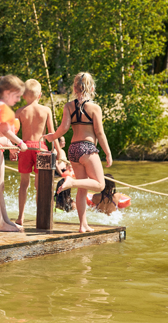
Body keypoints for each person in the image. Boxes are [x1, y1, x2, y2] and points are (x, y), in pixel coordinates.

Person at [44, 72, 113, 233]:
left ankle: (83, 225)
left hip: (73, 149)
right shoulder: (95, 108)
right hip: (87, 148)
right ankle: (71, 182)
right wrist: (108, 153)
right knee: (100, 184)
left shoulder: (68, 106)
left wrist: (52, 136)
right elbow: (100, 132)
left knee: (83, 190)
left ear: (75, 88)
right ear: (92, 88)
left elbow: (64, 128)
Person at [14, 79, 63, 225]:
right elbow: (52, 133)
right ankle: (39, 215)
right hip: (41, 148)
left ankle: (20, 217)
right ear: (40, 95)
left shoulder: (19, 111)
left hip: (24, 147)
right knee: (39, 185)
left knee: (24, 184)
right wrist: (59, 151)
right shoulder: (45, 110)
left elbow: (13, 132)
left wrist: (12, 148)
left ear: (23, 95)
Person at [0, 75, 28, 232]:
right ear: (8, 92)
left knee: (0, 186)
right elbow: (4, 130)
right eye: (16, 96)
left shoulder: (2, 107)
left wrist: (10, 145)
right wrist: (19, 142)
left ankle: (5, 220)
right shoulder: (1, 106)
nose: (18, 100)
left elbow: (0, 134)